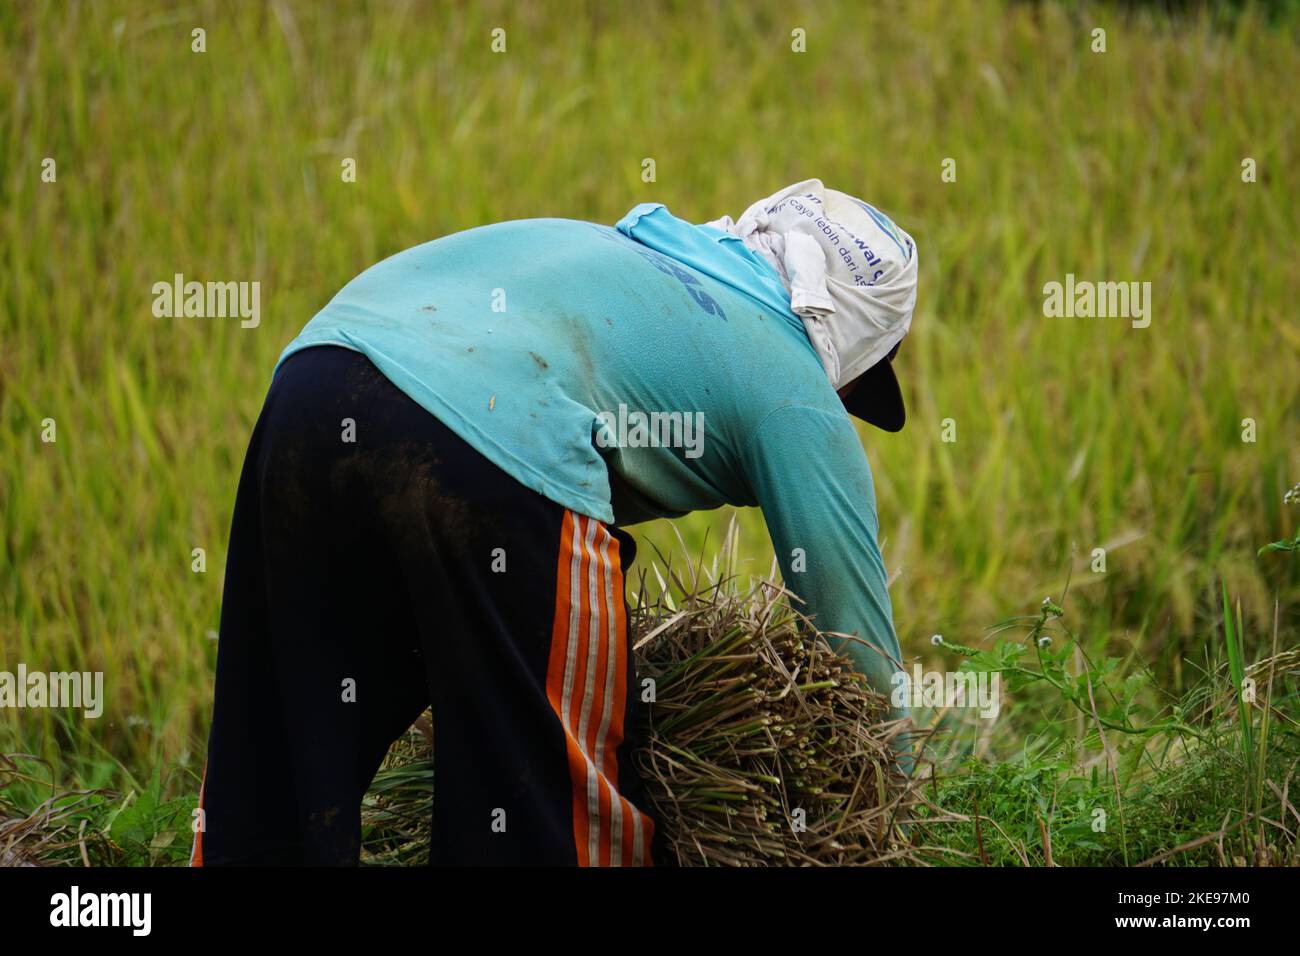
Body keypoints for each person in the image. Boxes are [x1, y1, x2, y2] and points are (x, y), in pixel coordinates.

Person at [191, 179, 918, 867]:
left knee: (274, 773)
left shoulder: (625, 255)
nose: (848, 399)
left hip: (311, 391)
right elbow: (858, 663)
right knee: (542, 811)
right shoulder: (797, 391)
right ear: (853, 340)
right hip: (491, 447)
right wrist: (903, 829)